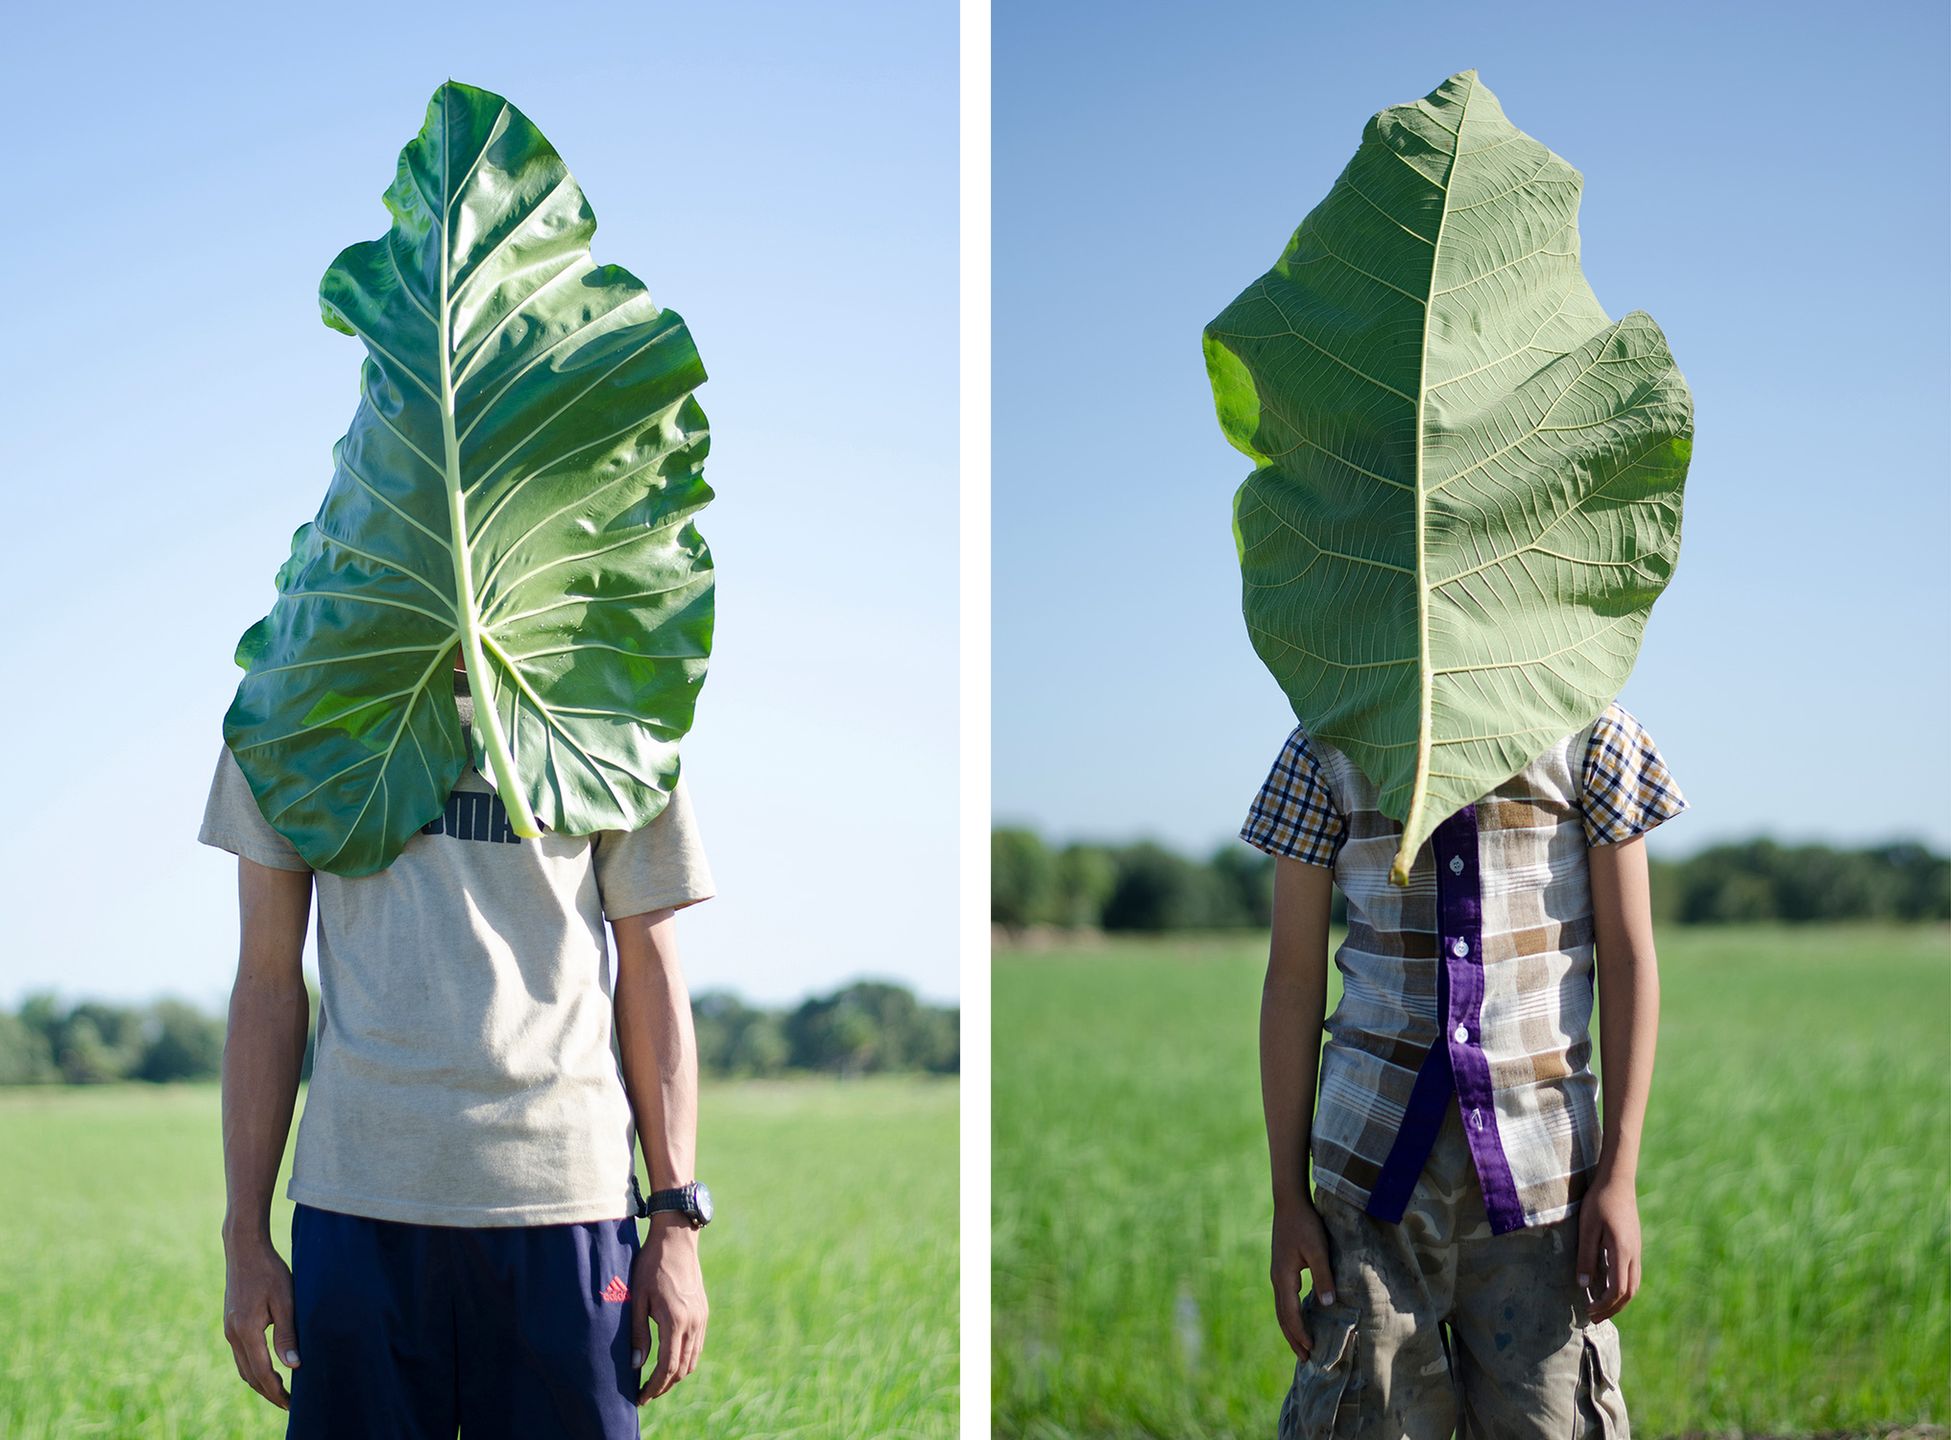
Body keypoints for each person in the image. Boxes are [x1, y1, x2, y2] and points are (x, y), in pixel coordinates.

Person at [201, 652, 717, 1438]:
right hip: (358, 1202)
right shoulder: (296, 710)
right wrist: (245, 1237)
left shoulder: (607, 706)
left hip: (565, 1203)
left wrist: (675, 1224)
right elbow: (266, 986)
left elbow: (650, 975)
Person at [1247, 700, 1687, 1438]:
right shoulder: (1328, 736)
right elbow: (1291, 979)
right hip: (1368, 1184)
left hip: (1547, 1183)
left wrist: (1619, 1176)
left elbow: (1629, 957)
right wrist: (1287, 1198)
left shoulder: (1591, 730)